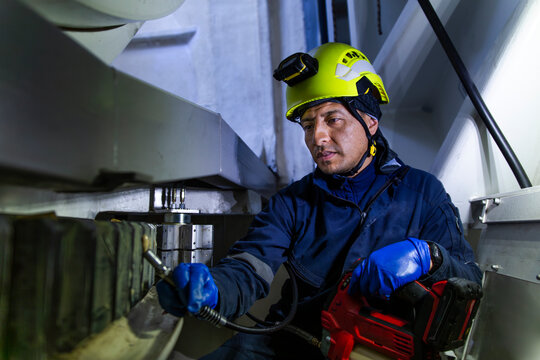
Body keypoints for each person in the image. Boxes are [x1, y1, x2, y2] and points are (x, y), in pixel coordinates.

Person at [156, 42, 482, 359]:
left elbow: (468, 283)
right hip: (293, 341)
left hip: (378, 348)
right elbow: (249, 269)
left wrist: (429, 256)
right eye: (308, 125)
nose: (318, 137)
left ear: (369, 120)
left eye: (332, 119)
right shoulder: (292, 203)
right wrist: (213, 287)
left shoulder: (423, 194)